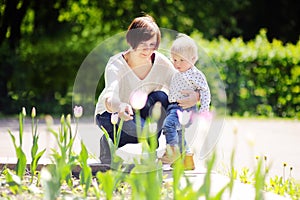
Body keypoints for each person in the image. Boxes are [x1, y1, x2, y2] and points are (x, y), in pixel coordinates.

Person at [95, 14, 200, 166]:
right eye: (143, 44)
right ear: (132, 41)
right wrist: (120, 107)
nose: (148, 49)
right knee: (145, 129)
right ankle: (109, 141)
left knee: (163, 98)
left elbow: (182, 86)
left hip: (142, 110)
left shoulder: (160, 62)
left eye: (152, 44)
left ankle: (181, 152)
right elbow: (110, 96)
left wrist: (195, 97)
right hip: (112, 115)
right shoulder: (116, 65)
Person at [160, 33, 211, 169]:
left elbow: (205, 90)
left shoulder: (195, 74)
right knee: (179, 134)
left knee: (169, 125)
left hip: (184, 109)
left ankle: (172, 151)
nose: (177, 64)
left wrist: (203, 111)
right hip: (174, 107)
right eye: (174, 60)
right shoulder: (179, 72)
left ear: (193, 59)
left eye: (181, 60)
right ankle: (187, 160)